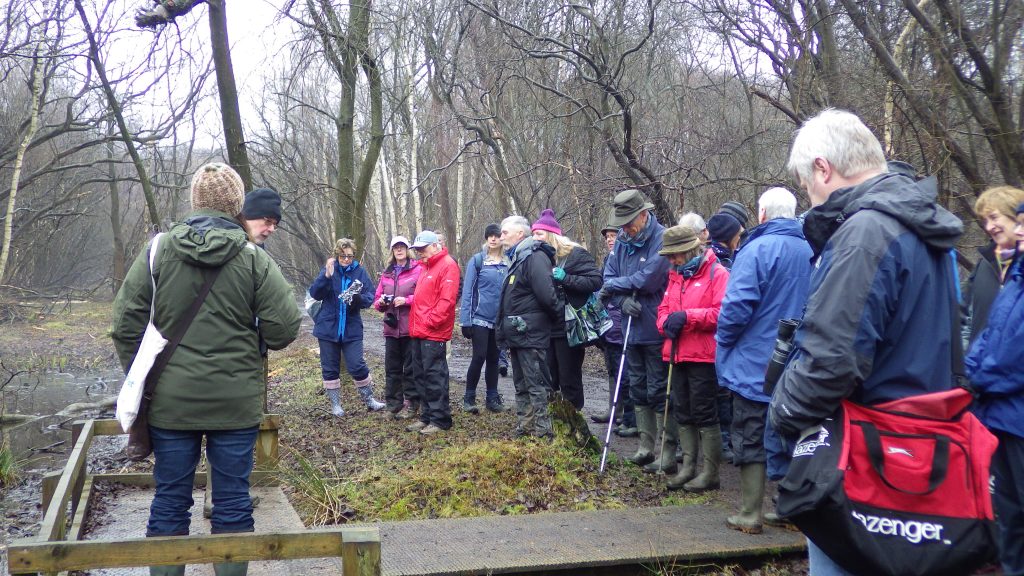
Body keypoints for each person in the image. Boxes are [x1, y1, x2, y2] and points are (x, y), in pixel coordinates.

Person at [768, 109, 962, 574]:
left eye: (806, 183)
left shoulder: (865, 234)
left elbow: (830, 362)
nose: (809, 197)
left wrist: (781, 411)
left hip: (865, 453)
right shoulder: (923, 227)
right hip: (921, 445)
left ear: (823, 168)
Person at [112, 163, 301, 576]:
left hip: (171, 402)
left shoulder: (159, 250)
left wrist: (145, 376)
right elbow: (284, 329)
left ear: (195, 200)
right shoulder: (252, 258)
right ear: (236, 204)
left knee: (170, 500)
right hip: (235, 403)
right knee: (232, 503)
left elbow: (124, 325)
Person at [715, 187, 812, 533]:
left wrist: (724, 343)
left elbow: (736, 306)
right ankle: (791, 509)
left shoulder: (756, 249)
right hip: (801, 362)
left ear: (762, 214)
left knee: (750, 433)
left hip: (755, 362)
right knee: (797, 434)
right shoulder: (813, 248)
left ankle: (750, 512)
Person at [965, 201, 1024, 576]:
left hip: (1016, 416)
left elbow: (1015, 357)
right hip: (1001, 416)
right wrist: (970, 371)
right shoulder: (1016, 275)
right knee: (1009, 516)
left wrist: (978, 380)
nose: (1018, 231)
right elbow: (988, 335)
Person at [598, 189, 671, 469]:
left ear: (643, 215)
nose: (625, 228)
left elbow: (648, 279)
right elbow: (609, 274)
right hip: (631, 327)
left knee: (658, 389)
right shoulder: (622, 241)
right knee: (637, 387)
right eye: (623, 223)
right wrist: (621, 300)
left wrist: (614, 287)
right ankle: (645, 446)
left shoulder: (661, 238)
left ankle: (667, 450)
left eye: (629, 222)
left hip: (655, 326)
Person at [656, 225, 730, 487]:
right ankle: (688, 468)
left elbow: (722, 313)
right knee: (683, 410)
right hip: (676, 353)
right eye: (669, 256)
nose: (672, 260)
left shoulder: (717, 273)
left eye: (675, 255)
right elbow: (663, 310)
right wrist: (665, 324)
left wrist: (688, 317)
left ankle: (710, 473)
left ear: (689, 250)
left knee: (704, 412)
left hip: (703, 356)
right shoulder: (675, 275)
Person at [495, 215, 560, 439]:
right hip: (518, 334)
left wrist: (549, 319)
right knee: (521, 384)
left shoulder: (535, 257)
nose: (501, 236)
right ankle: (525, 429)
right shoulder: (518, 258)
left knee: (537, 384)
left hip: (531, 333)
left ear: (520, 234)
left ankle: (544, 433)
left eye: (505, 232)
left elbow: (548, 296)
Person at [531, 209, 602, 410]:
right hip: (546, 326)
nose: (535, 238)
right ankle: (553, 420)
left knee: (569, 377)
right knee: (549, 376)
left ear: (551, 235)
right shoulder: (537, 257)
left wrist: (566, 279)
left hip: (570, 327)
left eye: (539, 233)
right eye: (533, 234)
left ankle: (575, 419)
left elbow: (596, 281)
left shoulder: (575, 254)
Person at [310, 238, 386, 416]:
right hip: (328, 327)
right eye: (342, 256)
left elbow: (370, 297)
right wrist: (326, 276)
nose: (346, 259)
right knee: (330, 367)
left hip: (352, 328)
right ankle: (335, 405)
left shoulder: (360, 272)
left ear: (354, 256)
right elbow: (315, 293)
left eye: (349, 256)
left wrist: (356, 298)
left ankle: (369, 400)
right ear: (337, 255)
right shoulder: (330, 269)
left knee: (357, 364)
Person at [406, 230, 461, 435]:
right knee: (420, 375)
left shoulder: (448, 265)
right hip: (419, 330)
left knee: (434, 376)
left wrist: (431, 322)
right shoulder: (425, 267)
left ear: (435, 246)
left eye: (423, 248)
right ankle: (427, 416)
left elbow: (447, 301)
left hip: (433, 332)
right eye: (418, 249)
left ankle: (440, 419)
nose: (420, 252)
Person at [962, 186, 1024, 347]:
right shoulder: (984, 264)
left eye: (994, 217)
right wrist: (964, 359)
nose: (989, 227)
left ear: (1016, 216)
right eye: (985, 221)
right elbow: (966, 323)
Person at [593, 218, 637, 437]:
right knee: (613, 368)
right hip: (609, 323)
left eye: (614, 235)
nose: (610, 240)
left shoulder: (628, 258)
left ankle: (630, 417)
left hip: (624, 321)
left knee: (626, 372)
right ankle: (614, 410)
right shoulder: (608, 260)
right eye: (608, 237)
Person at [459, 223, 509, 414]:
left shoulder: (508, 262)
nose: (493, 239)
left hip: (499, 320)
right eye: (490, 236)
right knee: (479, 357)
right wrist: (465, 320)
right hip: (479, 318)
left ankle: (492, 398)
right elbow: (468, 291)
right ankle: (469, 398)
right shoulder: (478, 261)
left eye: (496, 235)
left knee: (494, 359)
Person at [373, 235, 422, 419]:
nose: (399, 250)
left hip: (411, 327)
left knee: (410, 369)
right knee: (392, 369)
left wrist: (407, 300)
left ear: (407, 249)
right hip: (391, 328)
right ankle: (393, 405)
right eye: (396, 247)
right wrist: (381, 303)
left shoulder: (417, 269)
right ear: (392, 251)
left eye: (402, 247)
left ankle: (412, 404)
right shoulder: (387, 273)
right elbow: (376, 300)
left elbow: (424, 296)